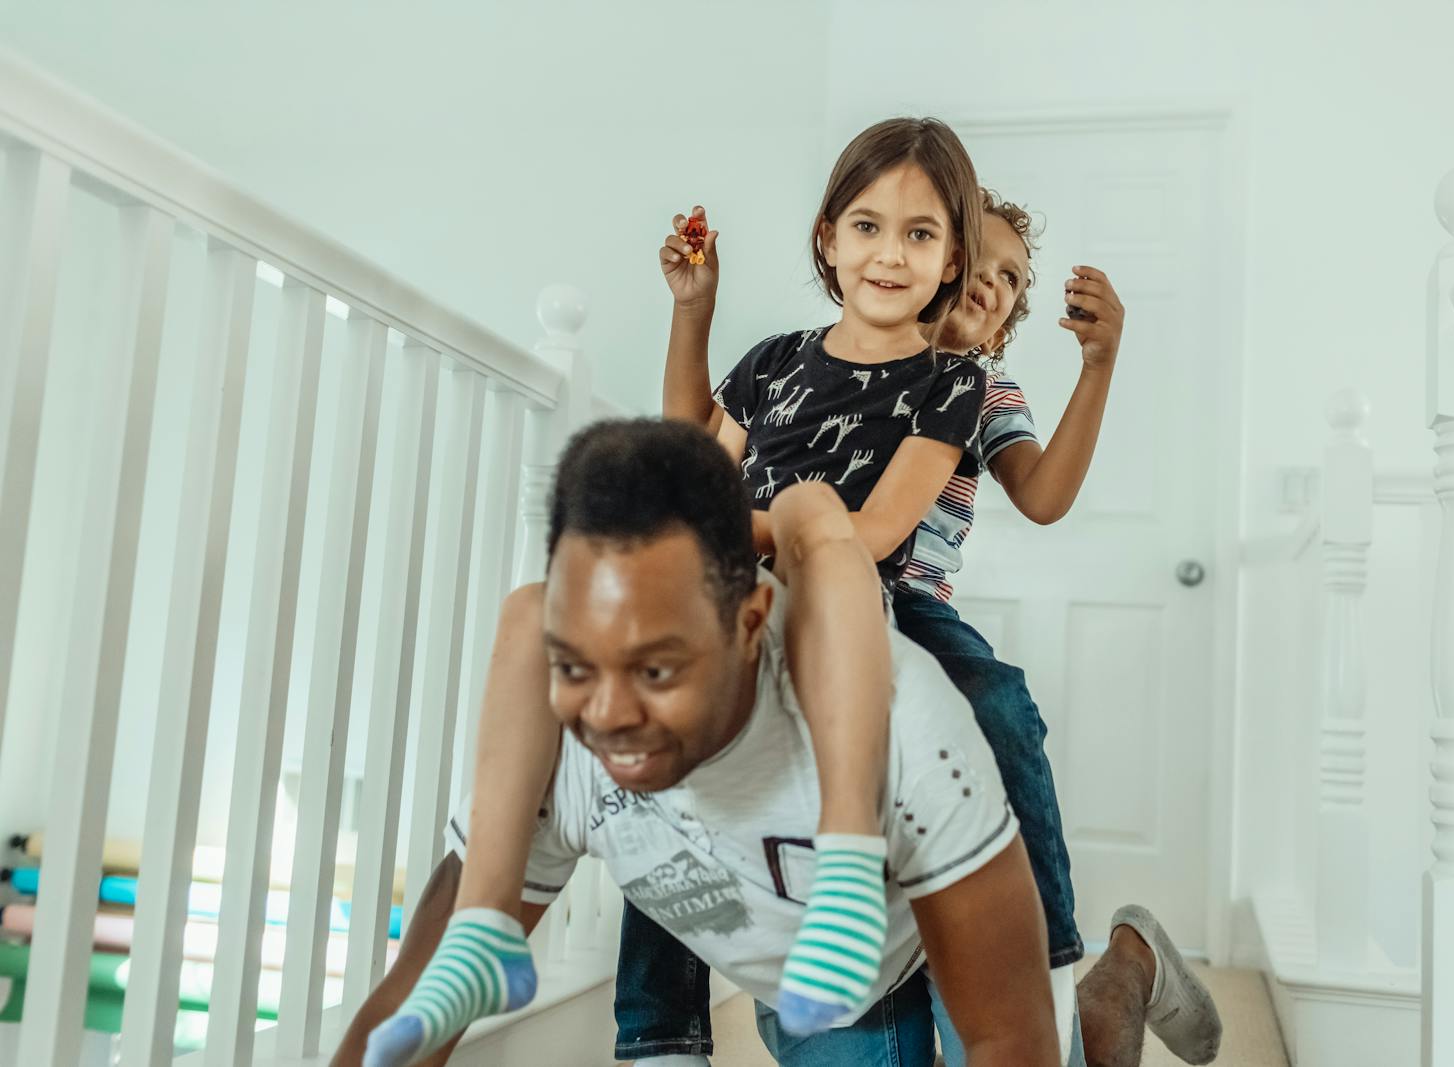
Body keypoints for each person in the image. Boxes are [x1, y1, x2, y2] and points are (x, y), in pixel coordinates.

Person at [360, 116, 990, 1065]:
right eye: (867, 226)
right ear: (827, 238)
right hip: (732, 608)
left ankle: (849, 867)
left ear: (951, 261)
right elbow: (694, 459)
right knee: (537, 614)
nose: (890, 254)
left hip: (841, 610)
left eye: (919, 234)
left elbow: (877, 531)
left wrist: (743, 526)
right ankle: (493, 934)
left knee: (818, 516)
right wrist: (693, 310)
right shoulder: (774, 362)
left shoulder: (948, 383)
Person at [639, 190, 1222, 1067]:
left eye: (1012, 279)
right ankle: (666, 1030)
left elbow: (1044, 495)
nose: (992, 282)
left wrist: (1098, 365)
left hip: (909, 602)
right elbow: (699, 448)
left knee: (995, 704)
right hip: (786, 597)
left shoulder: (978, 386)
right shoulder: (807, 366)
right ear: (936, 265)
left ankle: (1060, 961)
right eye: (979, 259)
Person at [334, 418, 1060, 1067]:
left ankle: (1113, 971)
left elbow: (1009, 1036)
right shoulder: (550, 736)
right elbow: (404, 1013)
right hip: (810, 987)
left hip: (913, 929)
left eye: (656, 670)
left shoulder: (910, 728)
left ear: (751, 623)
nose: (609, 715)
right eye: (575, 665)